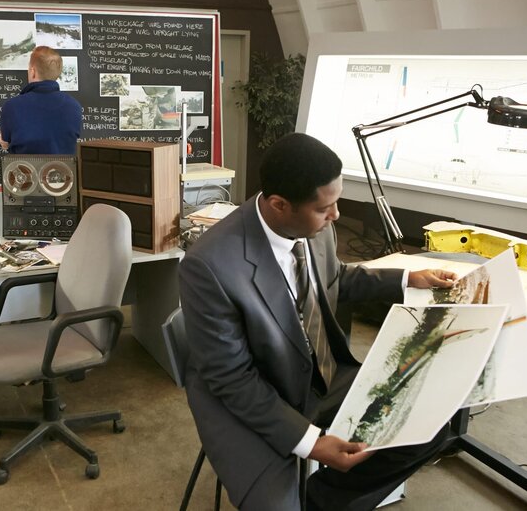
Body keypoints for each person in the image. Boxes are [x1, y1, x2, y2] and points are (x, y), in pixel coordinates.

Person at [179, 132, 458, 511]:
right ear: (279, 204)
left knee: (426, 429)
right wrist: (312, 442)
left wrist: (407, 278)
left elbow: (336, 278)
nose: (336, 216)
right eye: (325, 208)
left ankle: (319, 501)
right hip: (257, 392)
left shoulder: (314, 227)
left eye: (337, 201)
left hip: (326, 374)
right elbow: (232, 380)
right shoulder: (209, 266)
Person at [0, 46, 82, 154]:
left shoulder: (11, 106)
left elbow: (5, 142)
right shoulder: (74, 106)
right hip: (64, 170)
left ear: (33, 71)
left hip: (25, 170)